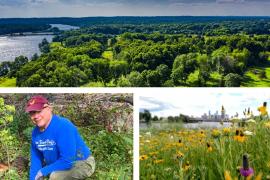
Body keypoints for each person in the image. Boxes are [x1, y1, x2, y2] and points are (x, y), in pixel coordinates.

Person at [26, 95, 95, 180]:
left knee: (55, 176)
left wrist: (43, 171)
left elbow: (68, 160)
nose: (36, 116)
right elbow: (35, 161)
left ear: (49, 108)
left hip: (82, 162)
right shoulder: (35, 133)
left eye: (39, 111)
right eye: (32, 113)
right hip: (59, 164)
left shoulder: (63, 126)